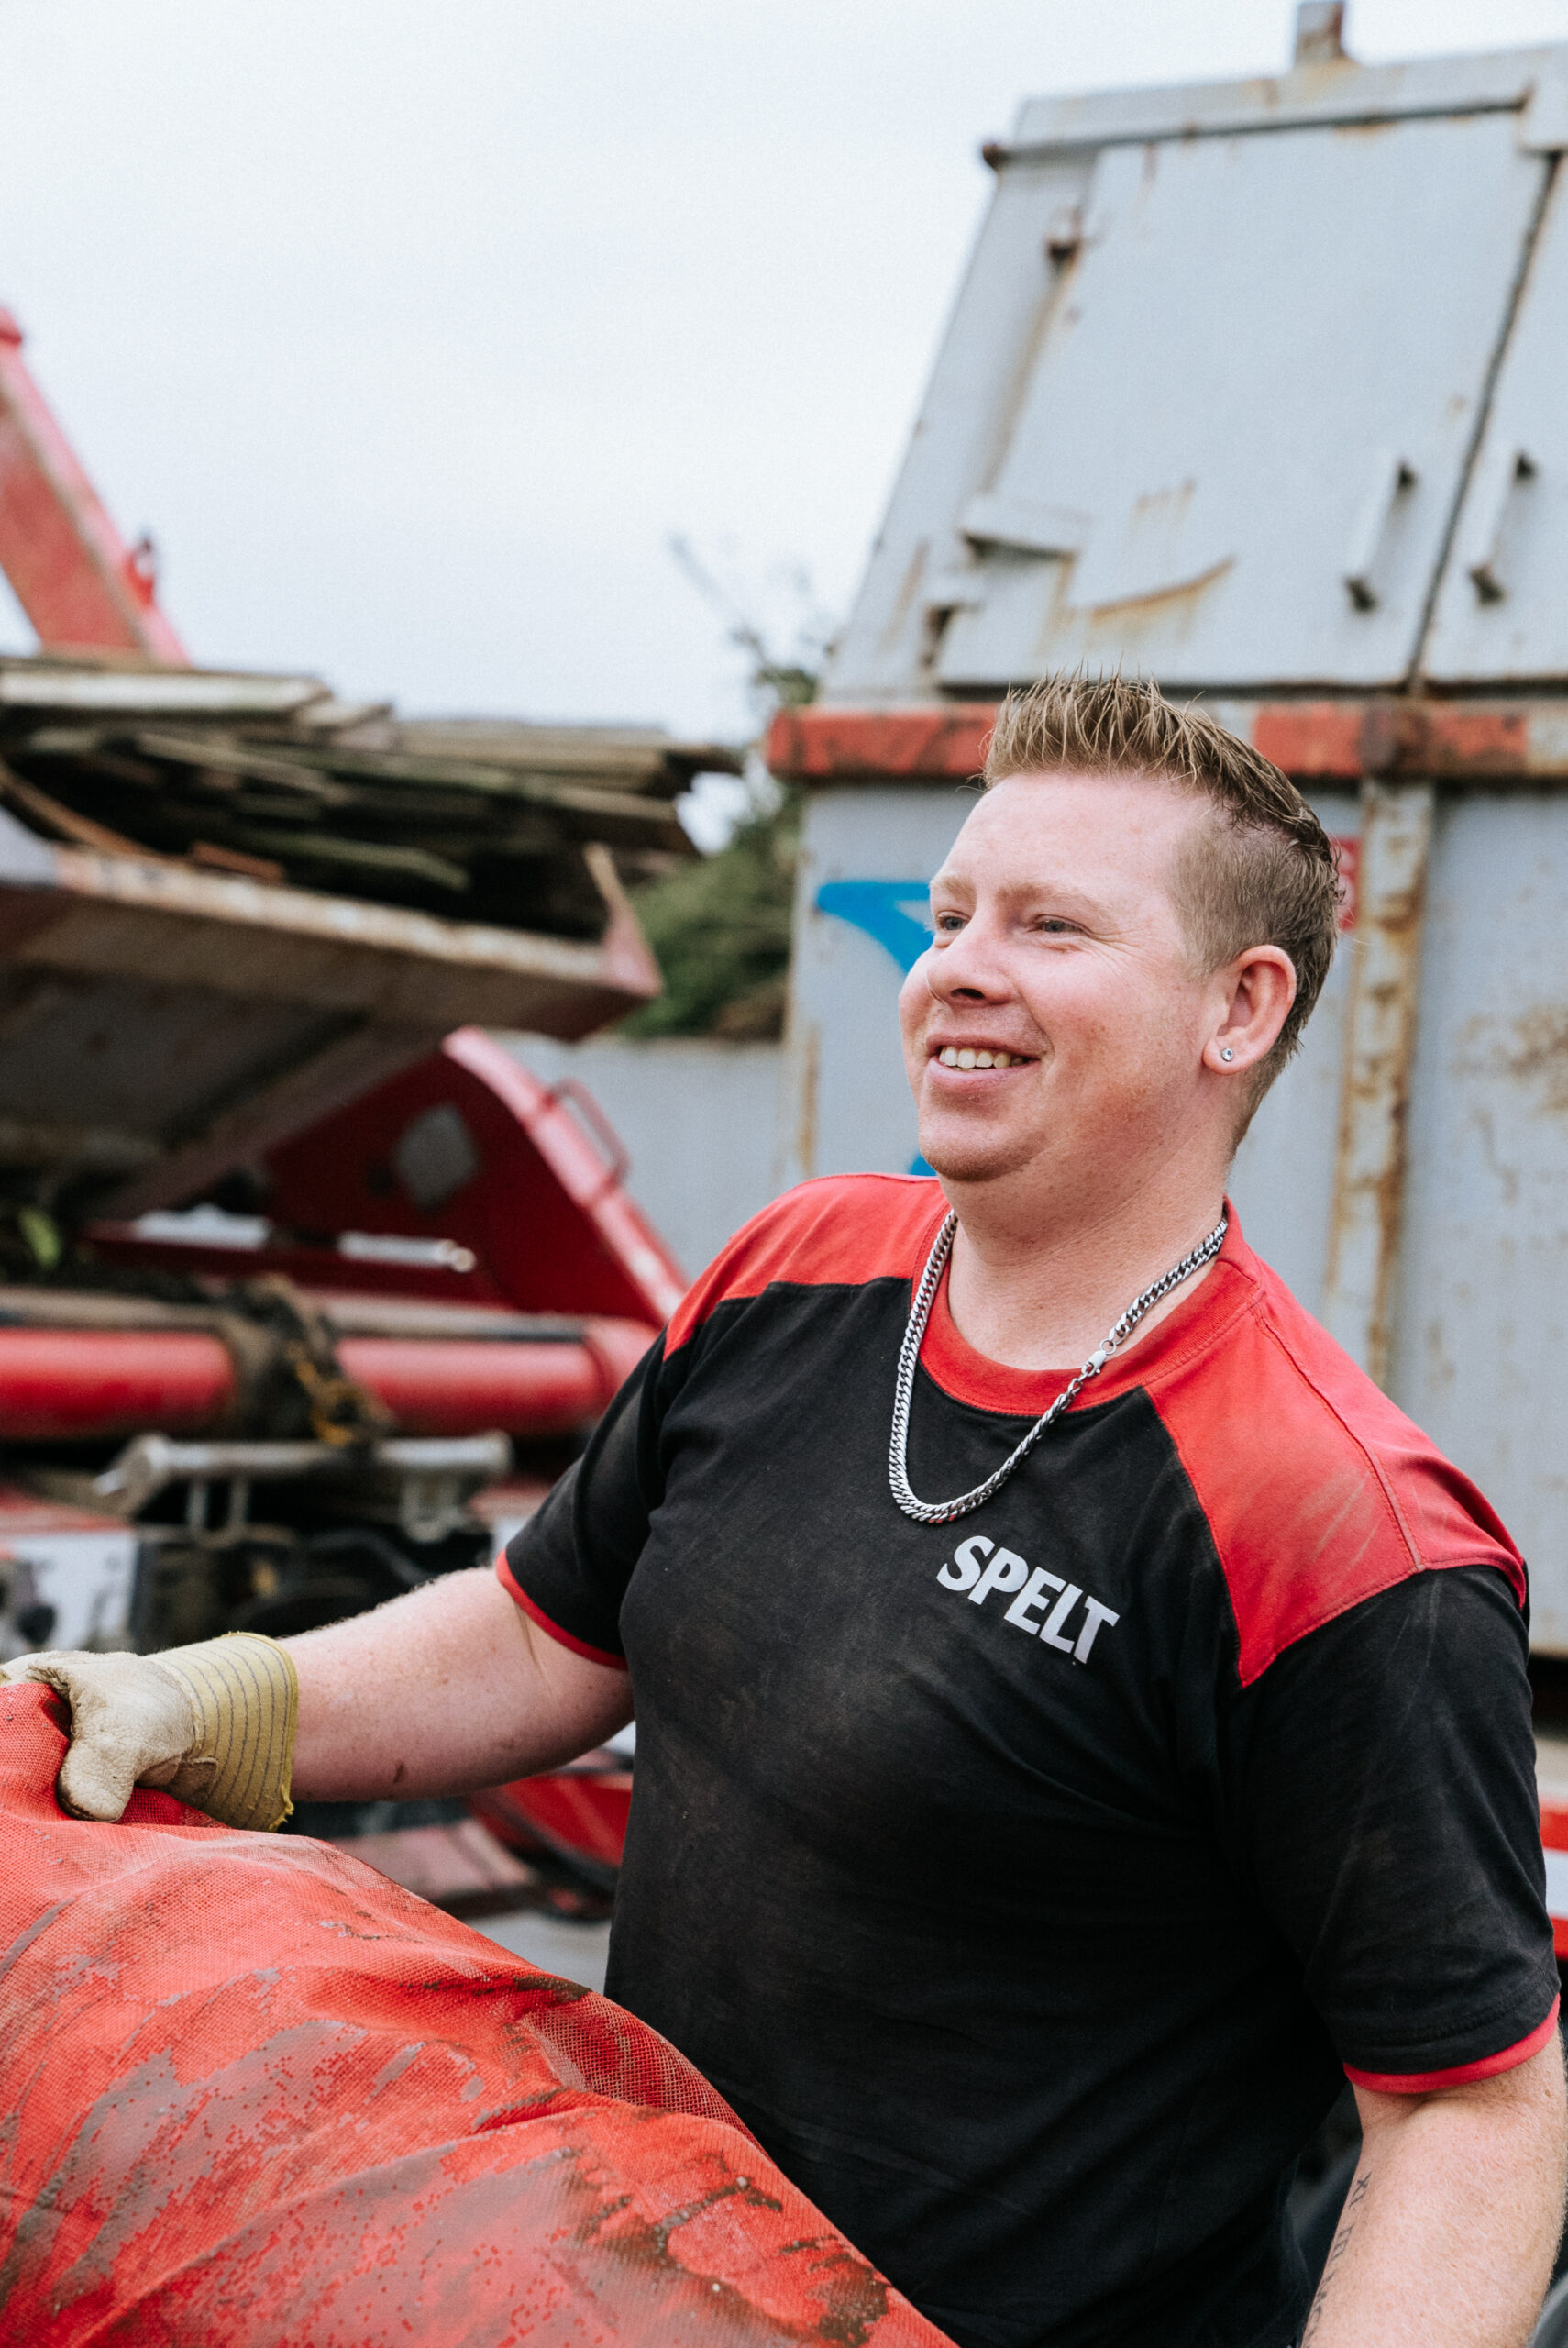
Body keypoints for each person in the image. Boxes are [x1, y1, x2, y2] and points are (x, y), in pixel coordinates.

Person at [14, 675, 1565, 2348]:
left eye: (1050, 927)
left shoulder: (1336, 1534)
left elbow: (1467, 2111)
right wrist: (225, 1696)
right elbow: (549, 1637)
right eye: (950, 912)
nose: (958, 966)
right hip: (616, 2286)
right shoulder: (792, 1274)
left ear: (1237, 1007)